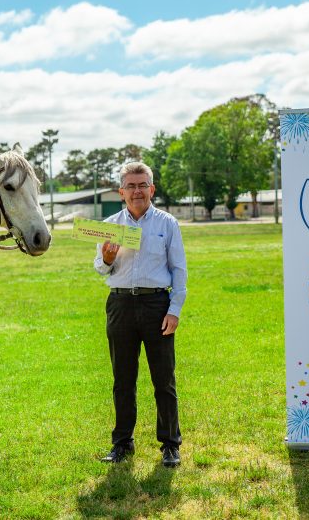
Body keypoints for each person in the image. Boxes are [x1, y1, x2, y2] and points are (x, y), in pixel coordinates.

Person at [93, 162, 188, 468]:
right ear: (122, 191)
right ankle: (122, 443)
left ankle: (170, 444)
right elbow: (100, 267)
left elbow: (179, 271)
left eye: (142, 185)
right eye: (131, 186)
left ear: (152, 189)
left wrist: (174, 311)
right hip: (120, 306)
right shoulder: (110, 225)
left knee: (164, 380)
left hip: (156, 306)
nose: (137, 191)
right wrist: (107, 259)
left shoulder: (167, 224)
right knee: (123, 380)